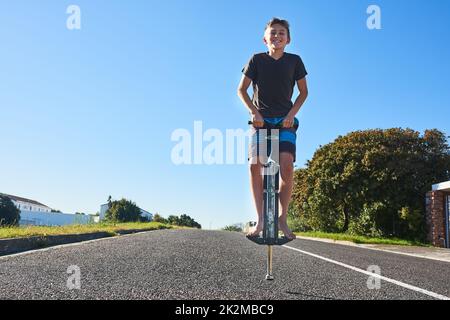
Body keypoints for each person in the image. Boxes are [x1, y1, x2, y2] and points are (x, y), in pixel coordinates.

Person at [237, 18, 309, 240]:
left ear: (288, 39)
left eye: (281, 33)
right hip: (261, 122)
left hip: (285, 121)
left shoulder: (294, 61)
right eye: (273, 33)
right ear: (265, 38)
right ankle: (260, 220)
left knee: (286, 164)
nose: (277, 36)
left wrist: (291, 115)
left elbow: (303, 92)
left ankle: (282, 218)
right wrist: (254, 113)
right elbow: (242, 90)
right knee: (254, 164)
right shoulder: (256, 60)